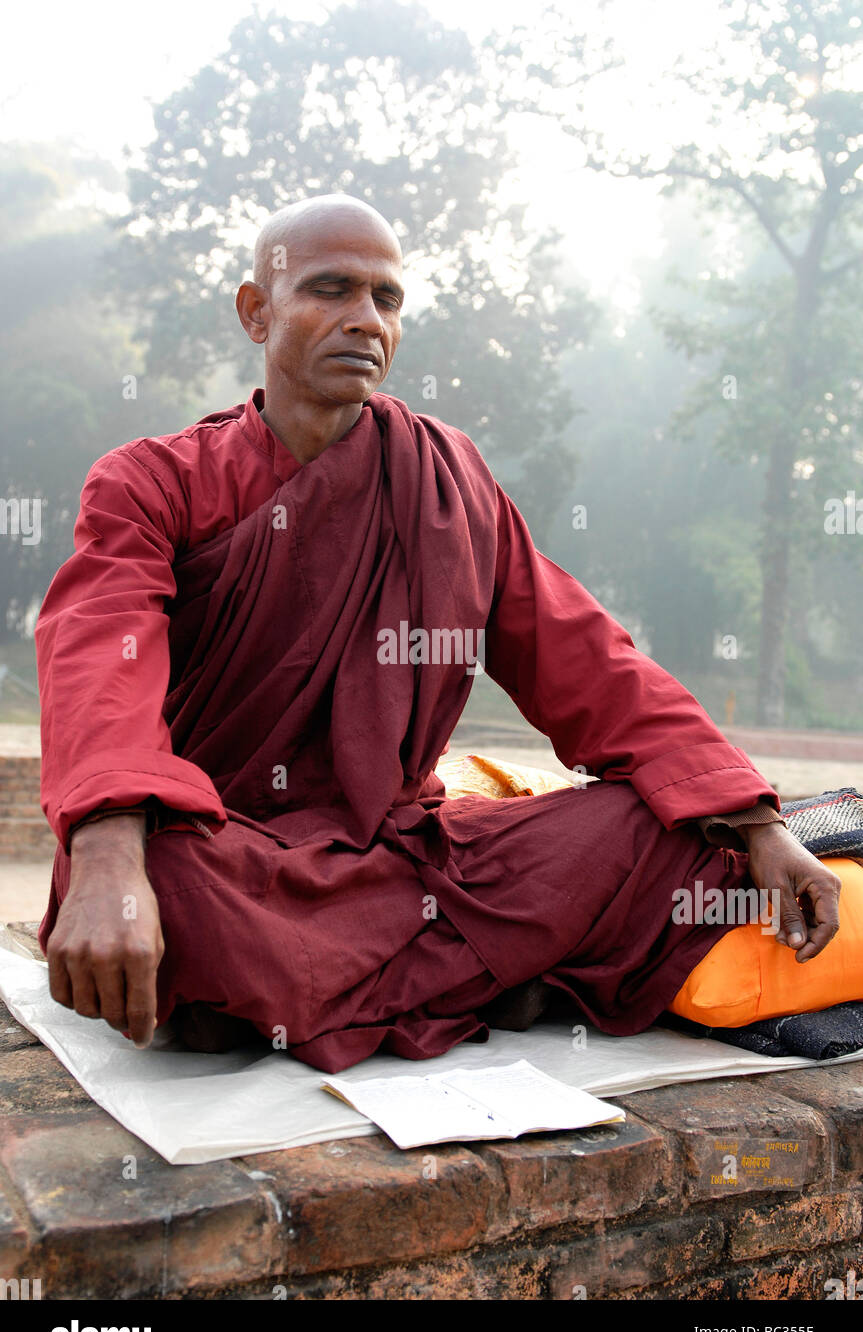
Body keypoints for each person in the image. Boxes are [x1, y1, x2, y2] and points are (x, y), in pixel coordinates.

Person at [34, 195, 841, 1073]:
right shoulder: (152, 482)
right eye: (329, 290)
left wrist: (758, 823)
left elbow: (590, 661)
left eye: (386, 299)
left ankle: (311, 996)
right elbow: (95, 657)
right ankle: (494, 976)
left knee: (667, 833)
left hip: (406, 852)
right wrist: (111, 849)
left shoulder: (445, 478)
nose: (363, 321)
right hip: (228, 849)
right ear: (254, 311)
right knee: (166, 899)